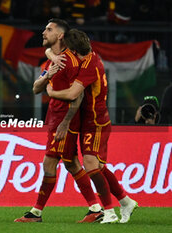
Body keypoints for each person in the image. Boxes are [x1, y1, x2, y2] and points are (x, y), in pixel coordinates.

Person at [14, 19, 103, 224]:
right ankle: (95, 208)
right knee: (71, 163)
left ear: (60, 35)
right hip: (55, 118)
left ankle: (36, 212)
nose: (43, 32)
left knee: (50, 162)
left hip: (65, 120)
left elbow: (77, 95)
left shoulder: (70, 61)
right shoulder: (54, 60)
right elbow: (36, 88)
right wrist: (47, 77)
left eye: (49, 29)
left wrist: (66, 122)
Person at [46, 28, 138, 223]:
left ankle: (109, 211)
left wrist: (51, 92)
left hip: (95, 122)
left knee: (90, 164)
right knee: (99, 167)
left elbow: (72, 94)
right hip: (91, 120)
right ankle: (125, 201)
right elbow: (52, 52)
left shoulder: (89, 66)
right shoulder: (91, 56)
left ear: (75, 50)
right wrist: (49, 54)